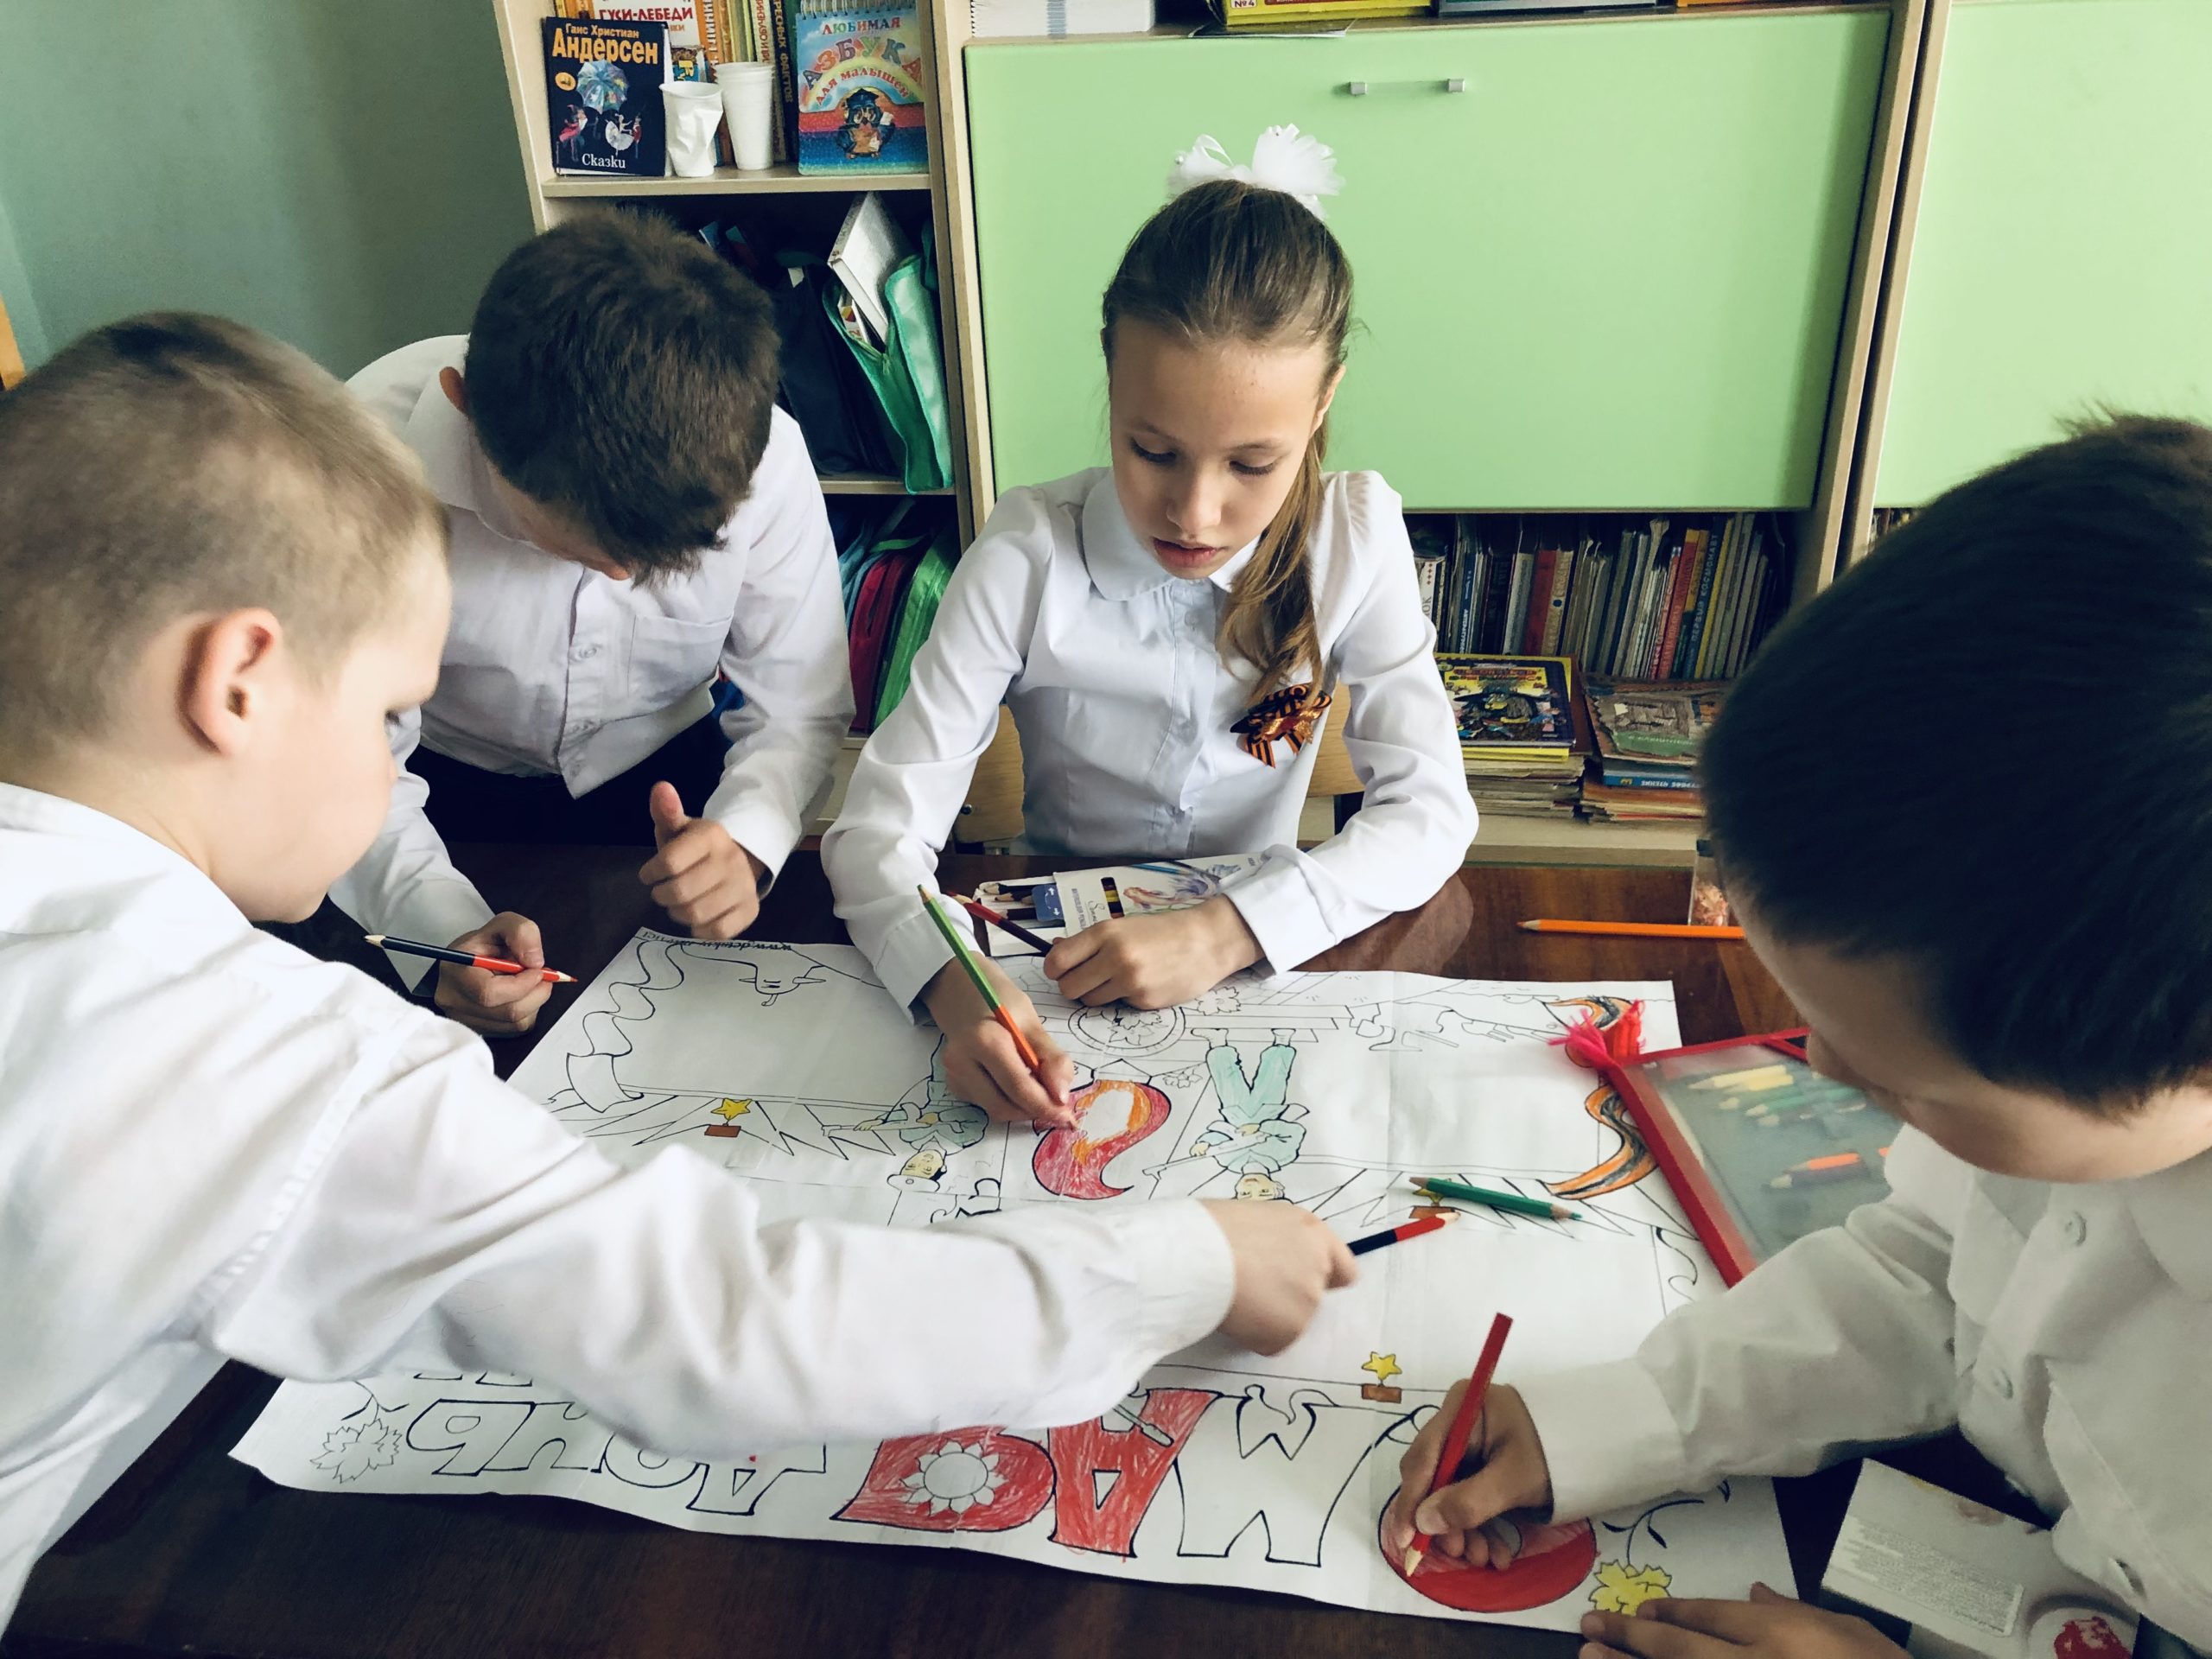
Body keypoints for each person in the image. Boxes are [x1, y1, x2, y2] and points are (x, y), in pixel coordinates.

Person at [0, 314, 1358, 1629]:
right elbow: (731, 1325)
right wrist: (1185, 1263)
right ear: (239, 681)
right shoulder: (251, 1060)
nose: (387, 764)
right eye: (386, 711)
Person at [1383, 417, 2212, 1656]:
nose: (1818, 1066)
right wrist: (1618, 1420)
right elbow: (1925, 1272)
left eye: (1916, 1085)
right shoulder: (2089, 1070)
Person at [823, 128, 1476, 1128]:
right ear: (1110, 374)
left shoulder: (1353, 536)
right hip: (1057, 970)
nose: (1195, 514)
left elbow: (1430, 813)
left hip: (1260, 963)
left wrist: (1226, 932)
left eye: (1251, 465)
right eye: (1152, 450)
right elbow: (877, 831)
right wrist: (953, 987)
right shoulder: (1028, 553)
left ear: (1323, 403)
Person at [337, 210, 853, 1038]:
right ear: (465, 411)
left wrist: (749, 837)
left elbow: (798, 703)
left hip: (670, 785)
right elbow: (338, 751)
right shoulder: (352, 469)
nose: (619, 578)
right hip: (434, 794)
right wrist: (435, 930)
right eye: (579, 546)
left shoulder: (759, 452)